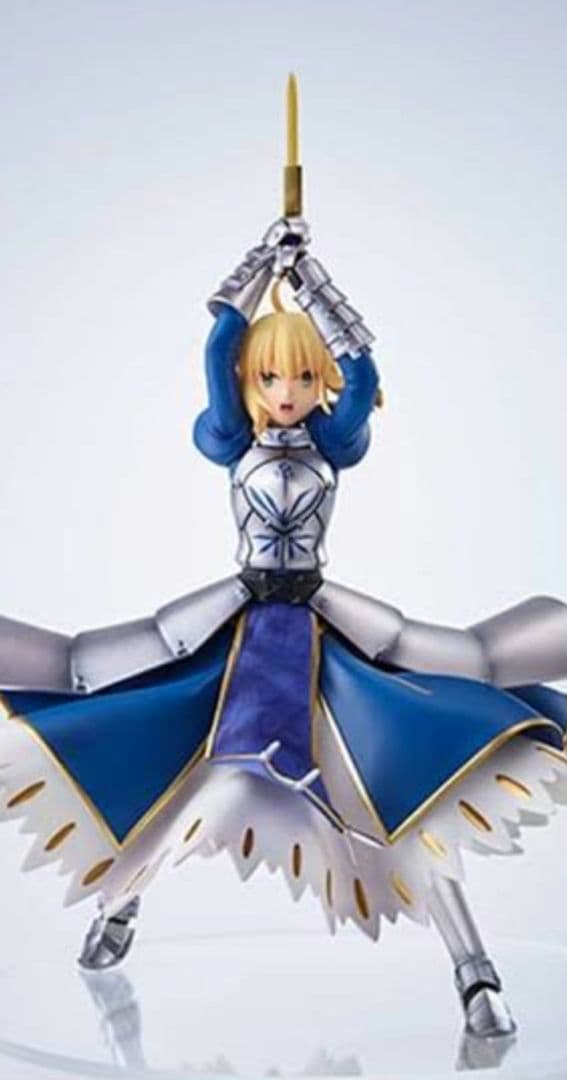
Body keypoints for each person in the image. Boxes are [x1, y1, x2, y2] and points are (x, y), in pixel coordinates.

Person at [0, 218, 566, 1044]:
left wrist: (312, 282)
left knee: (405, 786)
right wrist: (262, 263)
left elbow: (364, 371)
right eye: (270, 375)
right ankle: (117, 912)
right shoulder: (230, 439)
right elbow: (217, 342)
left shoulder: (333, 442)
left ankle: (473, 971)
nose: (287, 389)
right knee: (171, 769)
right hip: (234, 626)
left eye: (302, 374)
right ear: (248, 379)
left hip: (324, 624)